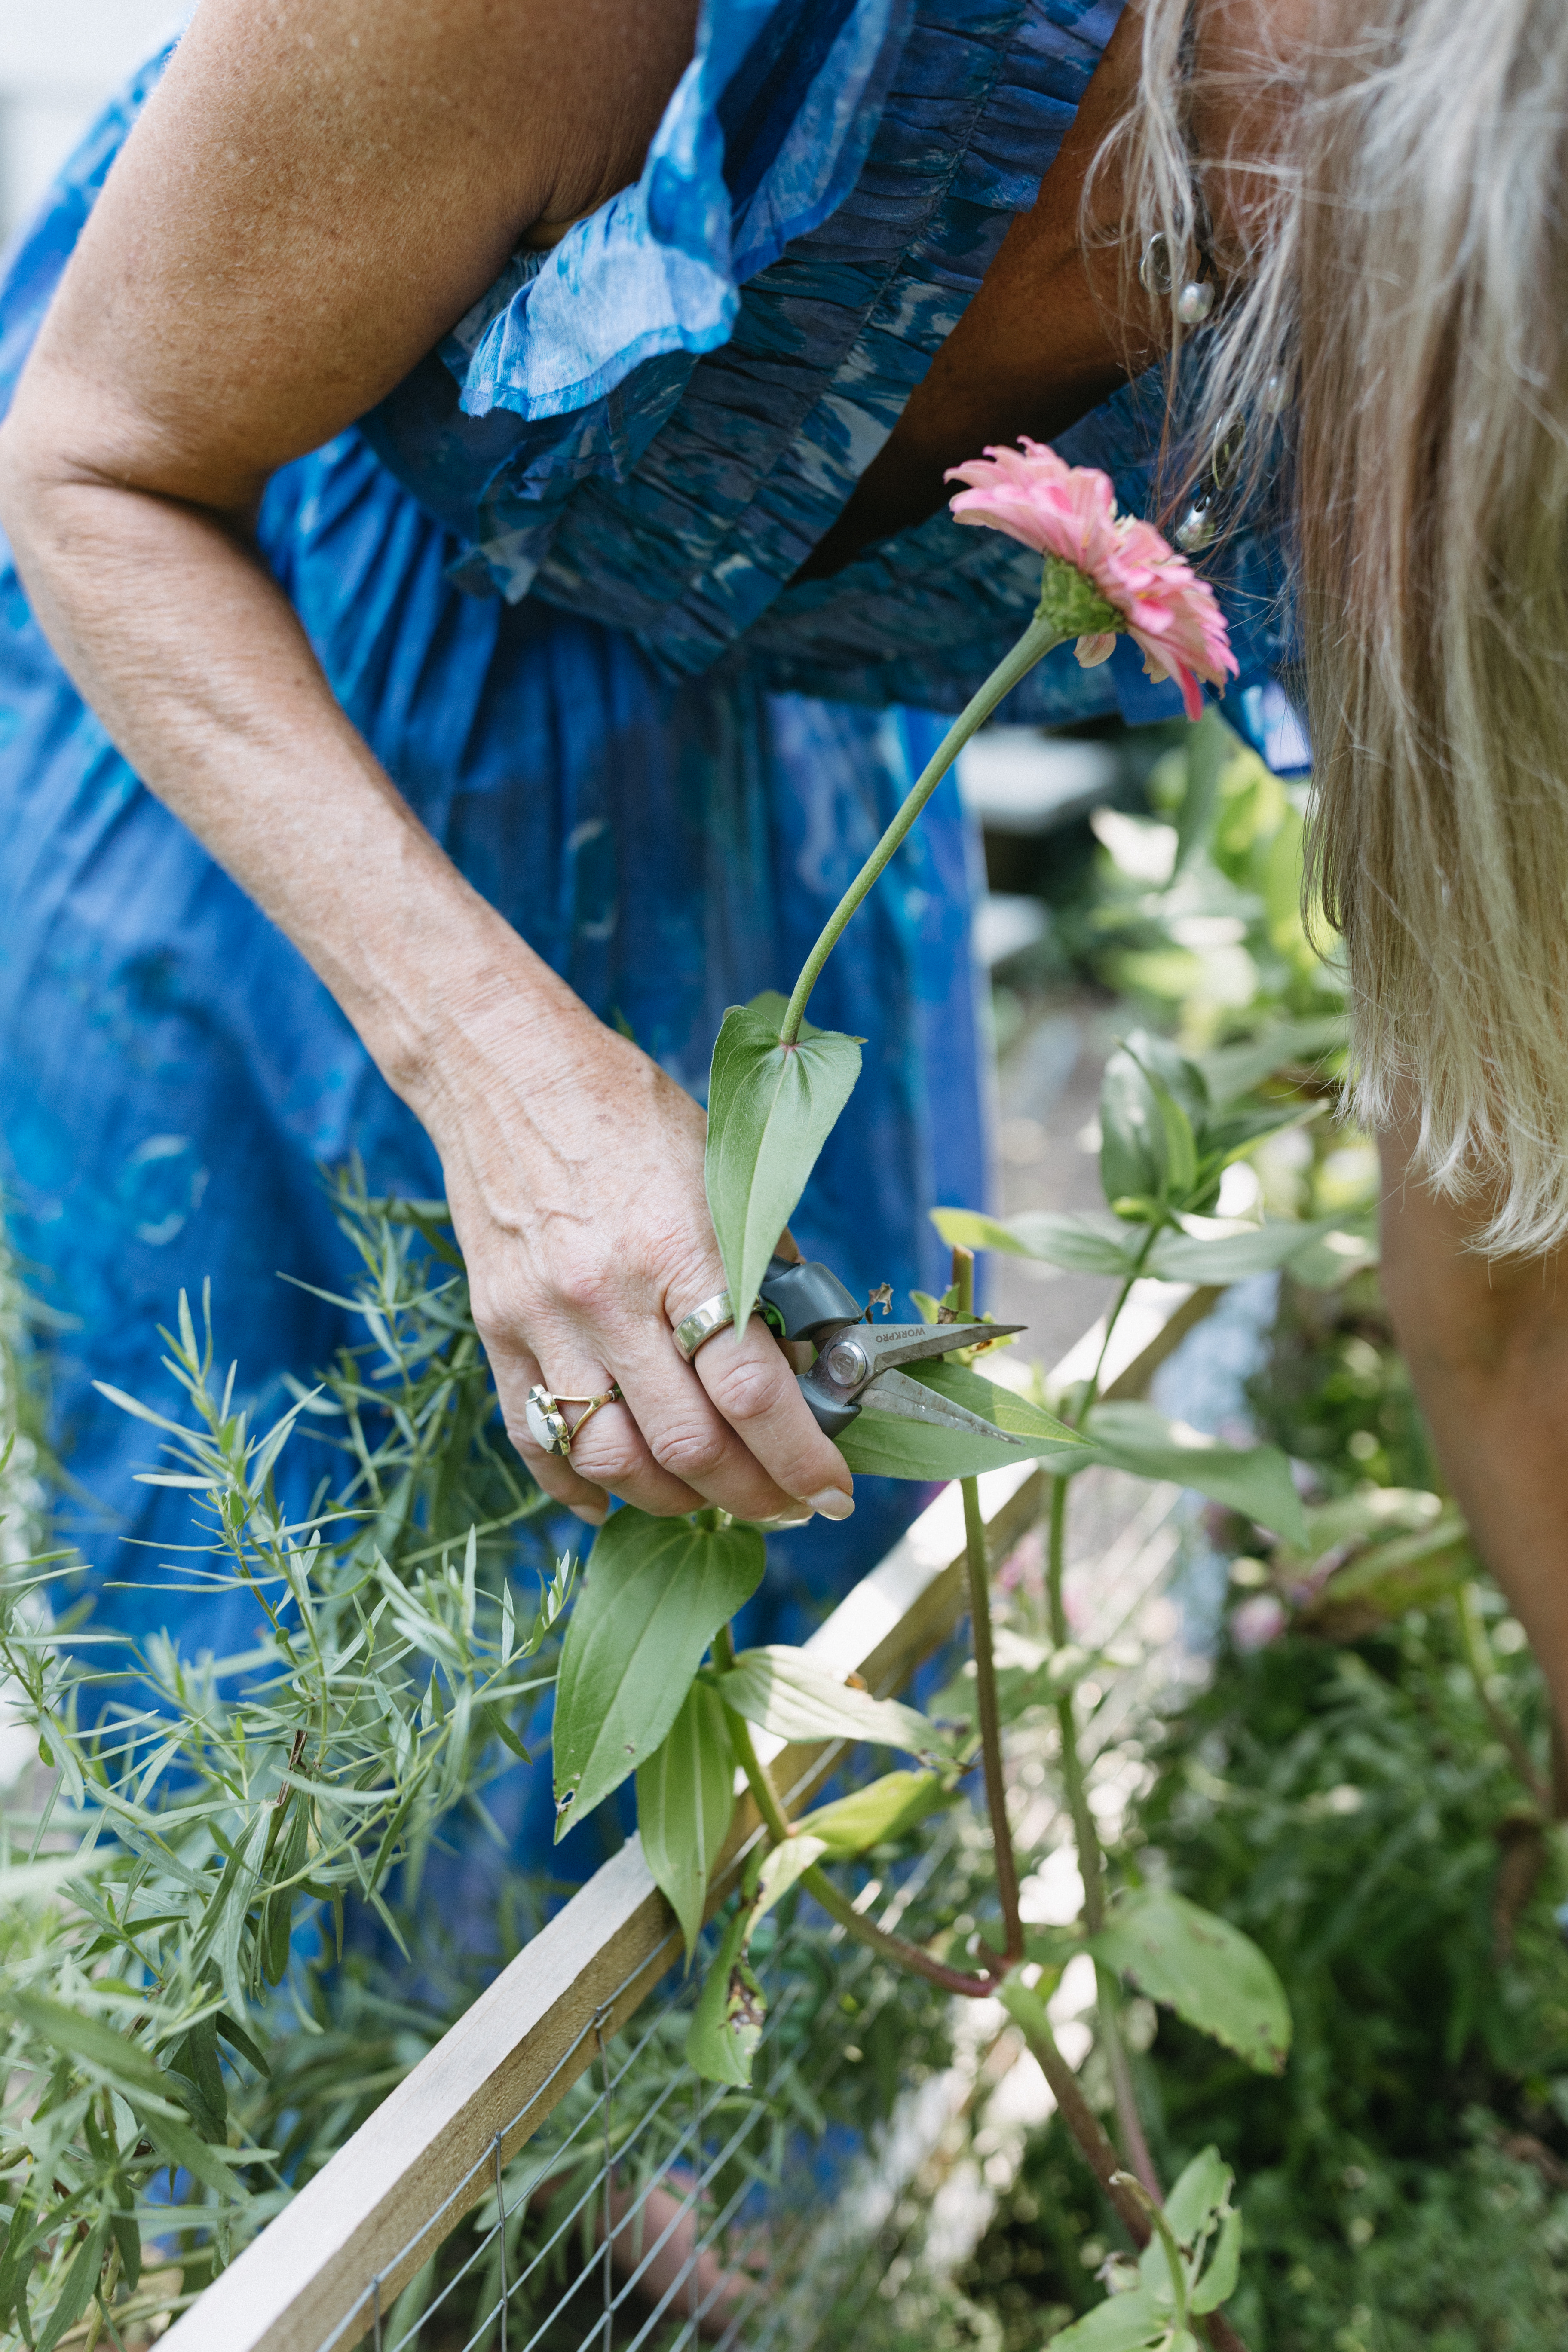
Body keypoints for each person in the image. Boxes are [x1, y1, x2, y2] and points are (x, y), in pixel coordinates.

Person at [8, 0, 1556, 1777]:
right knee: (304, 1662)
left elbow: (1526, 1283)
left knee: (792, 1596)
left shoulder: (1497, 375)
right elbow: (97, 465)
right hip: (252, 699)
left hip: (766, 768)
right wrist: (514, 1095)